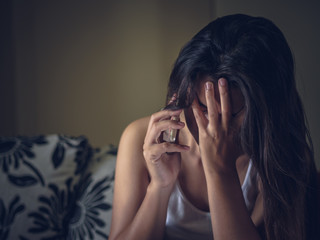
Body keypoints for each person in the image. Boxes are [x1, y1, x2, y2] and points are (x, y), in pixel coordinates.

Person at [109, 14, 319, 240]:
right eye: (202, 105)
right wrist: (159, 187)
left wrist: (220, 170)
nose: (212, 126)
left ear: (265, 110)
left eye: (230, 113)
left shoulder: (283, 157)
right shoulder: (140, 137)